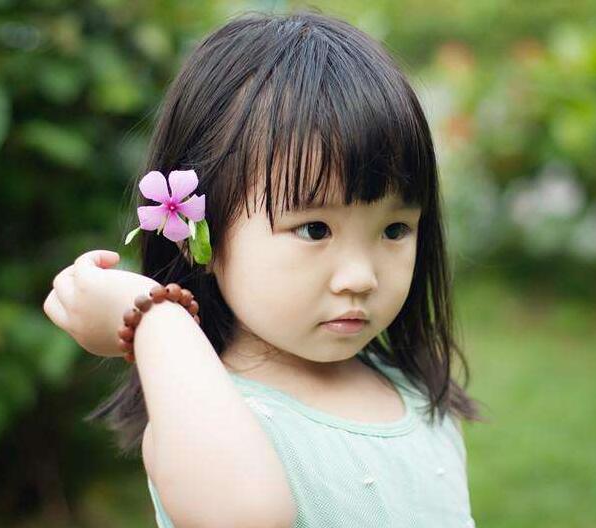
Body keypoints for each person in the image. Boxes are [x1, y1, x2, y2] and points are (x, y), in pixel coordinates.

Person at [43, 9, 484, 527]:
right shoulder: (199, 412)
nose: (361, 277)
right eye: (314, 229)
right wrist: (156, 319)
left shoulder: (410, 392)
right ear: (200, 233)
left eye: (394, 230)